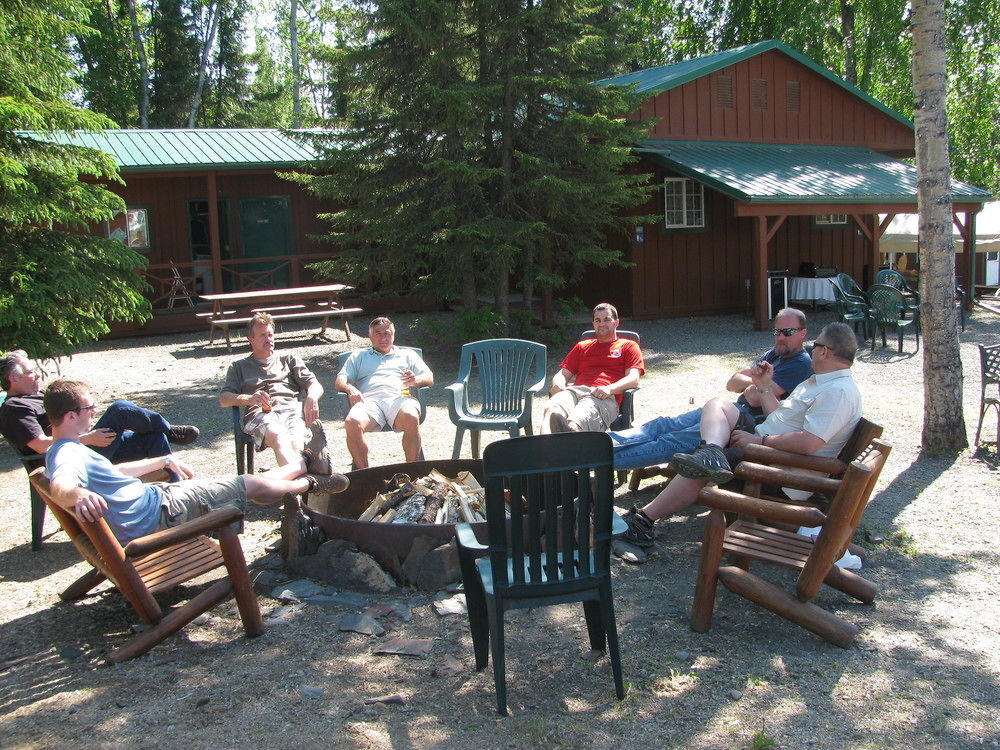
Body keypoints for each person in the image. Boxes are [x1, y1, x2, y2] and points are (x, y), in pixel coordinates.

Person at [620, 322, 862, 549]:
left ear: (825, 351)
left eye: (815, 345)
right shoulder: (820, 382)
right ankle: (711, 450)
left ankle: (643, 520)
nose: (811, 349)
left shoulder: (838, 391)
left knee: (707, 466)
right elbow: (781, 418)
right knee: (718, 405)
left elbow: (810, 443)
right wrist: (764, 386)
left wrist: (760, 442)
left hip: (780, 472)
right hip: (769, 451)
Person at [43, 379, 348, 545]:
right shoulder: (67, 453)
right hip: (161, 514)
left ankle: (305, 464)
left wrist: (160, 461)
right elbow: (61, 485)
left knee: (248, 486)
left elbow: (114, 471)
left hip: (159, 502)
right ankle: (311, 480)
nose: (94, 413)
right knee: (249, 485)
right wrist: (77, 495)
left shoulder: (67, 448)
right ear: (70, 416)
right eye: (89, 409)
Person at [609, 308, 812, 470]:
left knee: (670, 441)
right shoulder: (774, 354)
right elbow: (732, 383)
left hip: (747, 423)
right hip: (731, 410)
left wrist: (753, 385)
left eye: (788, 332)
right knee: (662, 425)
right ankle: (601, 443)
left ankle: (596, 459)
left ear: (803, 333)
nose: (780, 337)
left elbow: (754, 398)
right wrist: (755, 383)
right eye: (777, 332)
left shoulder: (800, 362)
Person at [0, 349, 199, 463]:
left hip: (86, 446)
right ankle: (169, 430)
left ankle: (176, 492)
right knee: (120, 409)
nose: (37, 374)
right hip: (70, 459)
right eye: (30, 372)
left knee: (155, 438)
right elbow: (41, 445)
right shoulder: (14, 408)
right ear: (13, 378)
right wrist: (88, 438)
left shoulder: (38, 395)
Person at [219, 313, 329, 474]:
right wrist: (249, 399)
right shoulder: (239, 366)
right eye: (262, 335)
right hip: (261, 414)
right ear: (251, 339)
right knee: (279, 436)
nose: (268, 339)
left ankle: (297, 482)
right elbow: (224, 399)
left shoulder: (288, 359)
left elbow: (314, 384)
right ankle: (307, 477)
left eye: (270, 335)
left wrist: (312, 397)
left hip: (292, 410)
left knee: (295, 443)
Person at [335, 317, 434, 469]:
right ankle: (365, 474)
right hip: (369, 401)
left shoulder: (407, 355)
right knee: (352, 422)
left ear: (393, 335)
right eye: (378, 333)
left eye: (387, 333)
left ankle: (412, 473)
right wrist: (350, 388)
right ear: (370, 336)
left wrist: (415, 380)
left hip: (399, 398)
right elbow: (339, 380)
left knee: (411, 416)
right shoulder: (359, 356)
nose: (383, 338)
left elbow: (429, 378)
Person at [539, 302, 644, 434]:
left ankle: (569, 436)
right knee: (551, 408)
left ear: (616, 322)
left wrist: (609, 388)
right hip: (574, 392)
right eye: (597, 320)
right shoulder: (582, 346)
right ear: (593, 324)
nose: (601, 324)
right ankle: (546, 444)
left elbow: (633, 378)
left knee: (580, 417)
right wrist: (558, 384)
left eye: (607, 319)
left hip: (603, 396)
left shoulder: (628, 346)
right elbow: (562, 374)